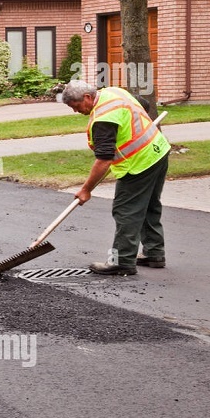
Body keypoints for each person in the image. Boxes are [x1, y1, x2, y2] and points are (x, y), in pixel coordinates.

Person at [62, 80, 170, 275]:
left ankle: (122, 261)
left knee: (126, 210)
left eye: (76, 106)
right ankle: (154, 253)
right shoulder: (113, 92)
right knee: (149, 205)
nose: (76, 111)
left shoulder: (103, 119)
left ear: (87, 97)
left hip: (138, 164)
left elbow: (104, 159)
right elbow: (142, 105)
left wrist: (86, 189)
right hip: (158, 151)